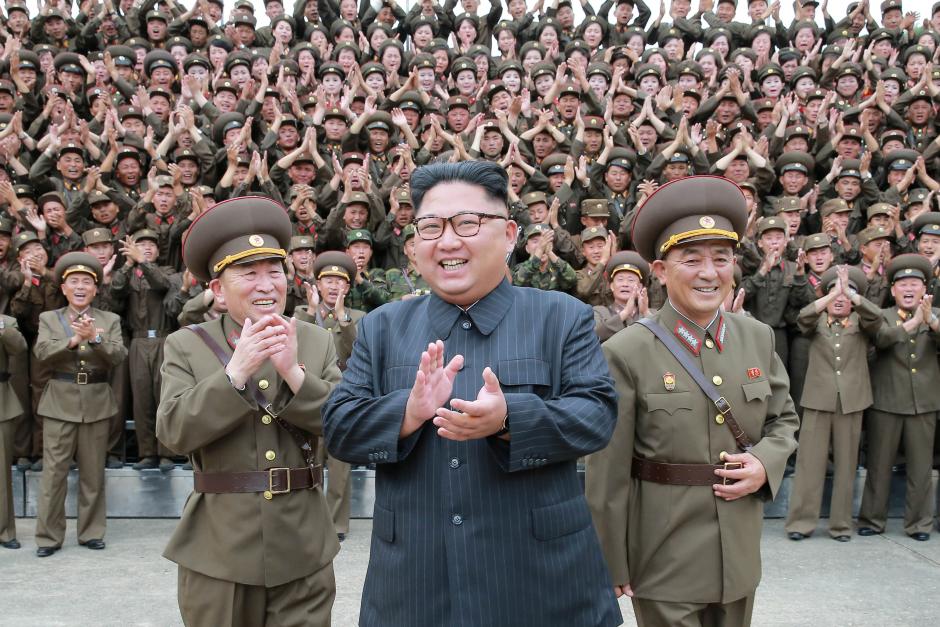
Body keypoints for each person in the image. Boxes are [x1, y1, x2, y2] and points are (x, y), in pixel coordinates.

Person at [322, 161, 622, 627]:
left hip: (541, 582)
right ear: (415, 244)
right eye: (430, 226)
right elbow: (339, 426)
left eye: (467, 223)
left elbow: (596, 415)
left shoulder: (561, 317)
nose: (447, 241)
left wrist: (509, 420)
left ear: (508, 235)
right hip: (416, 587)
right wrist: (408, 411)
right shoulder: (382, 327)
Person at [586, 175, 799, 627]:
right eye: (692, 259)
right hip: (665, 556)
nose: (709, 272)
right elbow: (608, 474)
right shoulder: (627, 351)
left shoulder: (757, 338)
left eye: (721, 259)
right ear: (660, 271)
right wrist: (612, 560)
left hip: (738, 554)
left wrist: (764, 462)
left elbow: (784, 422)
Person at [156, 195, 341, 626]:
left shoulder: (315, 341)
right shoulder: (187, 345)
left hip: (304, 545)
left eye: (274, 272)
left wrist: (293, 374)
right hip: (219, 551)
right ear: (218, 289)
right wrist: (234, 375)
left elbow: (343, 427)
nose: (265, 284)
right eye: (248, 273)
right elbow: (173, 431)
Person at [33, 252, 127, 557]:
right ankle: (48, 537)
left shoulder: (109, 320)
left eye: (87, 281)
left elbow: (118, 356)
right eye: (74, 281)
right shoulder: (49, 318)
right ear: (63, 288)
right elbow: (42, 353)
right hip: (60, 402)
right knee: (53, 475)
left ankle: (91, 532)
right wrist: (73, 340)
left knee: (92, 474)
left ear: (96, 289)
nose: (80, 286)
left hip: (97, 402)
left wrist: (95, 340)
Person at [785, 266, 883, 542]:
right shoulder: (816, 323)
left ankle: (840, 525)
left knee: (846, 464)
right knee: (809, 464)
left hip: (851, 401)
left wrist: (852, 295)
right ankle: (801, 523)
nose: (840, 298)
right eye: (834, 292)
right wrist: (830, 296)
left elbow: (877, 318)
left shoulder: (861, 323)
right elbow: (803, 317)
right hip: (818, 399)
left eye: (846, 294)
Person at [856, 253, 940, 542]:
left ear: (925, 289)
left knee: (920, 468)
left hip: (924, 404)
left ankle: (919, 524)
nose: (908, 289)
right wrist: (913, 323)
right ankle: (871, 519)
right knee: (879, 464)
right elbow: (880, 340)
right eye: (902, 283)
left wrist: (931, 322)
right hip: (887, 403)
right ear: (892, 290)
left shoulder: (936, 316)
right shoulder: (883, 316)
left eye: (914, 283)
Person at [0, 310, 27, 550]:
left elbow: (19, 348)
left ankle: (5, 530)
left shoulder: (7, 322)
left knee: (1, 473)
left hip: (1, 402)